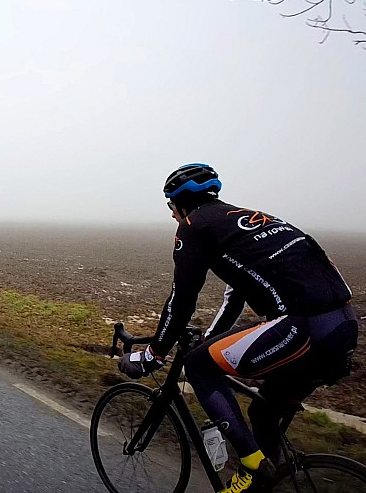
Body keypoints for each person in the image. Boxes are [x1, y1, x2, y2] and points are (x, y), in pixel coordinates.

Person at [118, 163, 359, 493]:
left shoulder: (193, 225)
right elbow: (236, 295)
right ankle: (264, 483)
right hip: (345, 327)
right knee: (262, 413)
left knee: (198, 365)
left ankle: (251, 465)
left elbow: (182, 299)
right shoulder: (252, 222)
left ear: (179, 202)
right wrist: (210, 338)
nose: (173, 215)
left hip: (302, 327)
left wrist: (153, 355)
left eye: (170, 207)